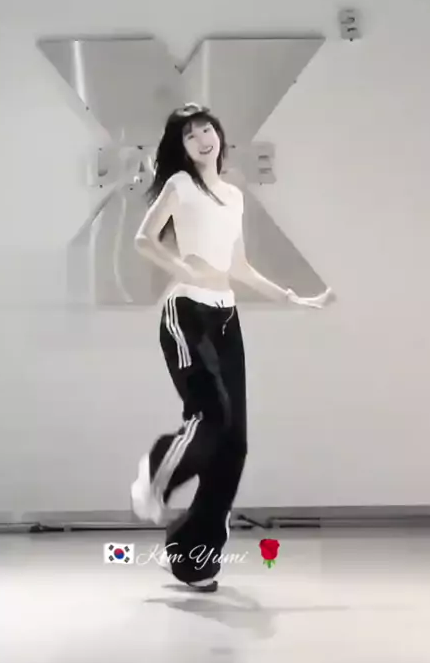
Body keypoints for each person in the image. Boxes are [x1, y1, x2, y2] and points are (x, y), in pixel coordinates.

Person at [130, 103, 331, 592]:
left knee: (234, 443)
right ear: (181, 147)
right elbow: (143, 239)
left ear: (219, 136)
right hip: (186, 312)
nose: (203, 139)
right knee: (211, 415)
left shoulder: (234, 196)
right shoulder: (181, 186)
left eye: (208, 130)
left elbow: (238, 265)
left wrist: (289, 297)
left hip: (225, 315)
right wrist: (184, 269)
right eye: (191, 135)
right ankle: (157, 472)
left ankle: (192, 557)